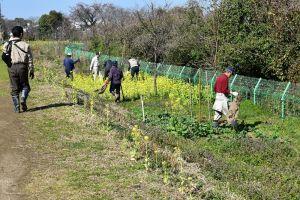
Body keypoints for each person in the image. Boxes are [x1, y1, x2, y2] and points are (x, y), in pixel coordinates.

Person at [2, 26, 34, 113]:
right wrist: (31, 70)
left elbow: (4, 55)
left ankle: (16, 107)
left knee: (14, 88)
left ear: (12, 34)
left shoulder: (7, 44)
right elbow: (30, 59)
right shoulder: (26, 45)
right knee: (25, 86)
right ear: (21, 34)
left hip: (11, 67)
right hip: (23, 67)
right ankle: (23, 98)